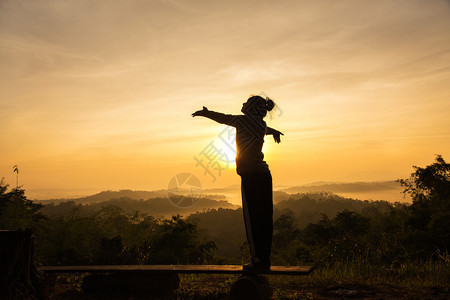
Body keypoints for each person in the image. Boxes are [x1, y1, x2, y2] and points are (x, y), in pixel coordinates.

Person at [192, 95, 283, 272]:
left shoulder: (243, 121)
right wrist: (275, 132)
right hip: (264, 175)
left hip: (251, 176)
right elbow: (266, 130)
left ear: (251, 108)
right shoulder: (260, 124)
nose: (242, 104)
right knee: (265, 219)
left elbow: (223, 118)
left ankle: (257, 261)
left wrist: (206, 113)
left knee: (253, 219)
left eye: (246, 103)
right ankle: (264, 260)